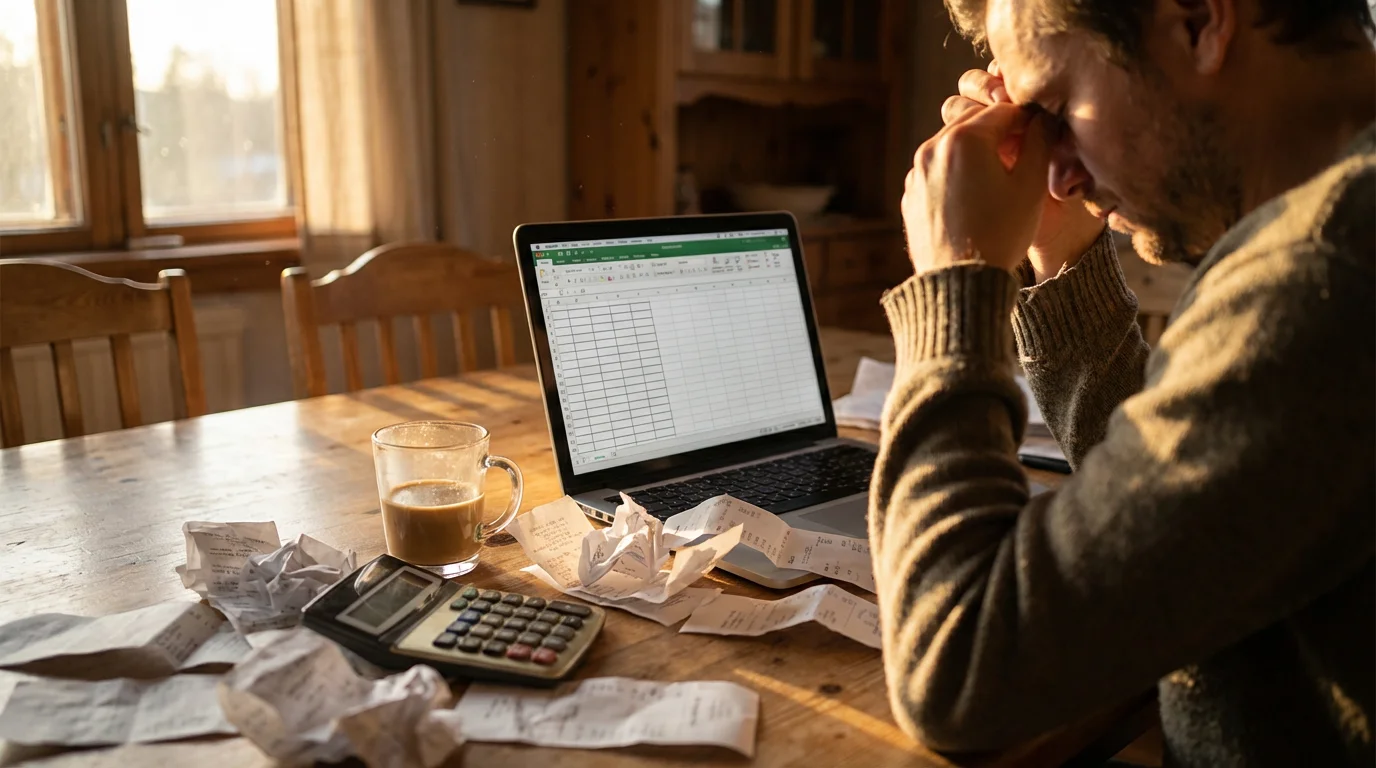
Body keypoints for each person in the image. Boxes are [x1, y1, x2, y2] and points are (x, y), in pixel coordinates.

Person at [870, 0, 1374, 764]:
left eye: (1060, 108)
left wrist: (956, 278)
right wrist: (1066, 263)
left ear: (1200, 21)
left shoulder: (1322, 277)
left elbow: (960, 666)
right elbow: (1192, 519)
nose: (1059, 175)